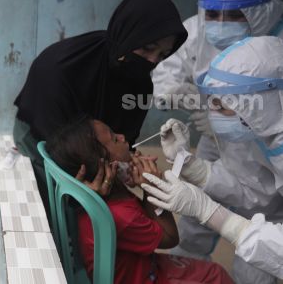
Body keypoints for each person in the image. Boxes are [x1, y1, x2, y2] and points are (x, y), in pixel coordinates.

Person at [151, 0, 283, 274]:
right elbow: (256, 193)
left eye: (224, 101)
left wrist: (230, 224)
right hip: (239, 141)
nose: (220, 23)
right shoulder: (198, 32)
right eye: (212, 13)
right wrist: (196, 170)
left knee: (253, 262)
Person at [14, 0, 188, 215]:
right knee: (53, 207)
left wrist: (128, 165)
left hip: (92, 154)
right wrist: (82, 188)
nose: (153, 61)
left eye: (163, 54)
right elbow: (59, 151)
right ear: (127, 34)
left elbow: (124, 141)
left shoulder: (140, 84)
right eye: (147, 48)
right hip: (41, 134)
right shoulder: (61, 70)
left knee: (91, 208)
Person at [47, 116, 233, 283]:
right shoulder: (122, 216)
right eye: (114, 138)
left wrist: (138, 183)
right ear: (105, 165)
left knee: (212, 271)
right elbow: (170, 238)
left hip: (142, 265)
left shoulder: (101, 195)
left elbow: (141, 216)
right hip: (144, 277)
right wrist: (152, 186)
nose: (121, 136)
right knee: (217, 276)